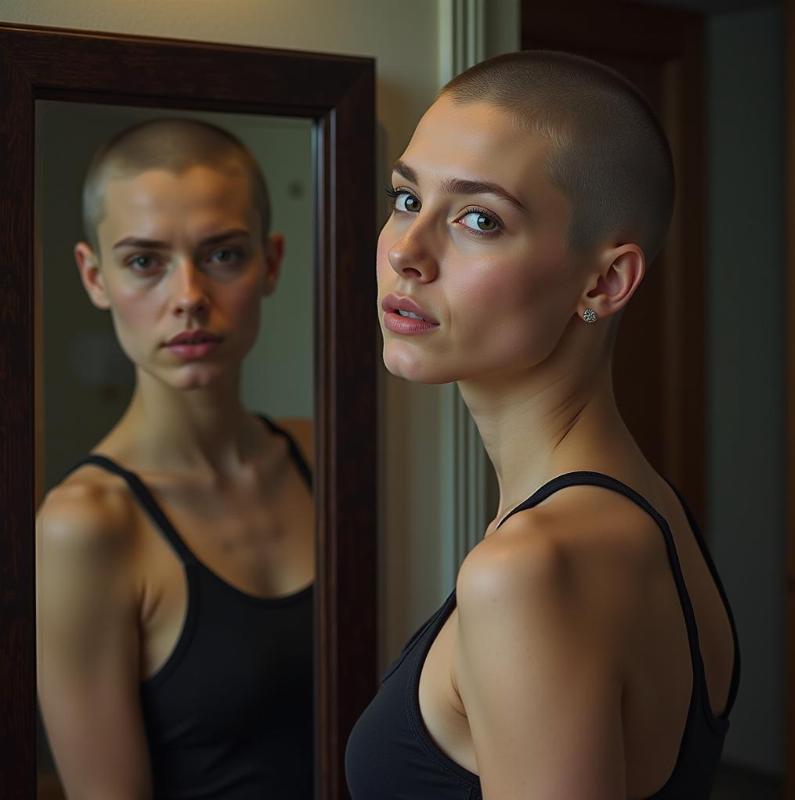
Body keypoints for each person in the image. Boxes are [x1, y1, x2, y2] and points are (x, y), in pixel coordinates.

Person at [346, 50, 740, 799]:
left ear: (603, 282)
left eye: (477, 219)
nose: (406, 251)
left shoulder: (530, 572)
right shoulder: (652, 515)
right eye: (405, 199)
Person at [36, 118, 315, 800]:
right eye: (144, 262)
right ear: (94, 276)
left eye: (222, 255)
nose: (189, 295)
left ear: (270, 261)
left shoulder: (321, 454)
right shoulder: (86, 526)